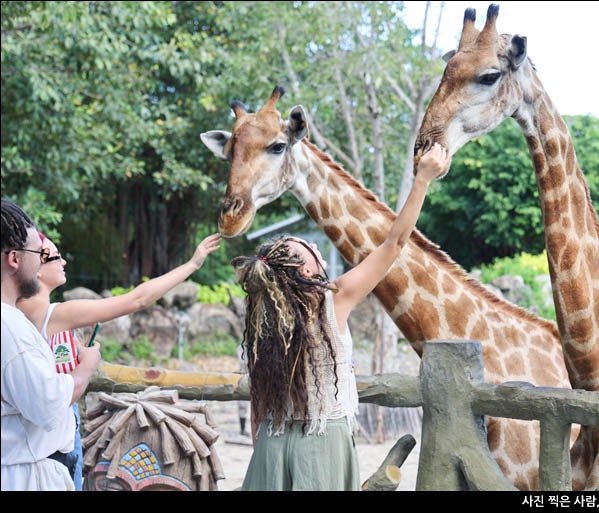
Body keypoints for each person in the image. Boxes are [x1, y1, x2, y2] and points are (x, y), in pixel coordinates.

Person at [232, 143, 450, 491]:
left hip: (270, 445)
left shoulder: (263, 325)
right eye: (311, 249)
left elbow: (260, 403)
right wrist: (423, 179)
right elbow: (394, 244)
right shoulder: (332, 303)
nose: (318, 248)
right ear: (304, 270)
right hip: (321, 445)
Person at [16, 231, 222, 490]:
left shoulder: (17, 312)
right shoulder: (53, 314)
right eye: (56, 257)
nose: (63, 262)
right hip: (50, 449)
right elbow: (137, 299)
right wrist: (192, 264)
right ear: (36, 268)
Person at [1, 199, 101, 491]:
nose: (40, 262)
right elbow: (45, 404)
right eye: (38, 253)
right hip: (25, 477)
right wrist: (86, 368)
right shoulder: (10, 327)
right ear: (15, 259)